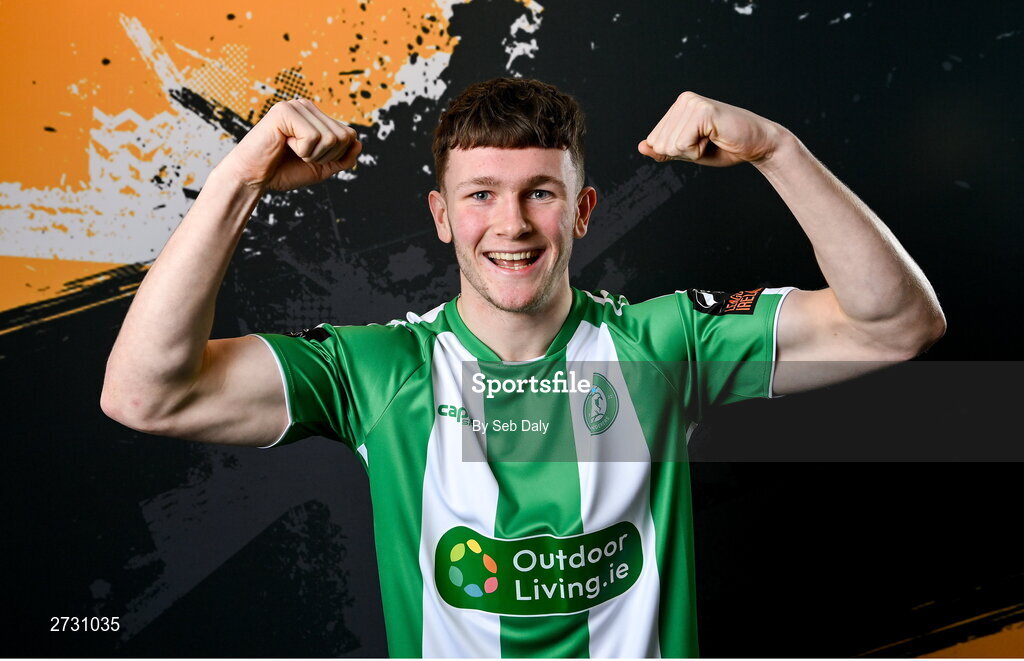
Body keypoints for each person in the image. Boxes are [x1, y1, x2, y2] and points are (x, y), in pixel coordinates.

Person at [101, 78, 945, 657]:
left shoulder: (664, 345)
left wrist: (776, 149)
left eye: (540, 191)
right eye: (480, 194)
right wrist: (240, 177)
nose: (512, 223)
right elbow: (146, 391)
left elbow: (897, 324)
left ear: (581, 210)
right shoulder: (383, 369)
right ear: (441, 216)